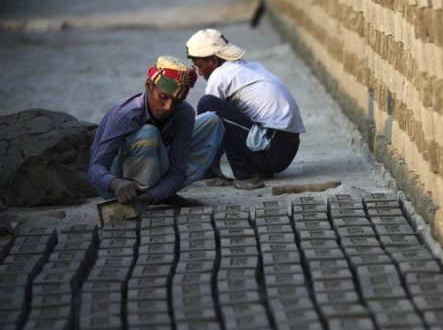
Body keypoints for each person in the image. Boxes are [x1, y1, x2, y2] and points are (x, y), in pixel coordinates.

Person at [86, 55, 224, 207]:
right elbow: (94, 169)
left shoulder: (183, 113)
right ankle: (133, 201)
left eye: (176, 101)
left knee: (212, 121)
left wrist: (152, 197)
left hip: (154, 176)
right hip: (118, 188)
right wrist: (116, 183)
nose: (168, 107)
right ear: (148, 85)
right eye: (163, 97)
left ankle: (157, 194)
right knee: (148, 133)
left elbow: (177, 172)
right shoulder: (125, 115)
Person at [186, 28, 305, 190]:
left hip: (274, 149)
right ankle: (252, 168)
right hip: (285, 148)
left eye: (199, 65)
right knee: (223, 116)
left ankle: (246, 175)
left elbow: (210, 125)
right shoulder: (248, 67)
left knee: (208, 105)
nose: (199, 73)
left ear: (213, 60)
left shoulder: (219, 76)